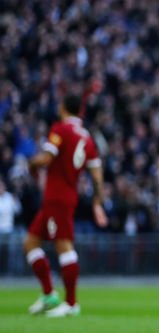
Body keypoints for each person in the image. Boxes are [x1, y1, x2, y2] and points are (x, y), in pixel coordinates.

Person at [23, 94, 108, 317]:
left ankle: (71, 303)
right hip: (62, 198)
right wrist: (97, 203)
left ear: (62, 107)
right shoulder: (87, 138)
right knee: (30, 243)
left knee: (64, 246)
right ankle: (49, 294)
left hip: (57, 197)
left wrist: (30, 162)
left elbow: (47, 159)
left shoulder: (60, 129)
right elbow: (97, 174)